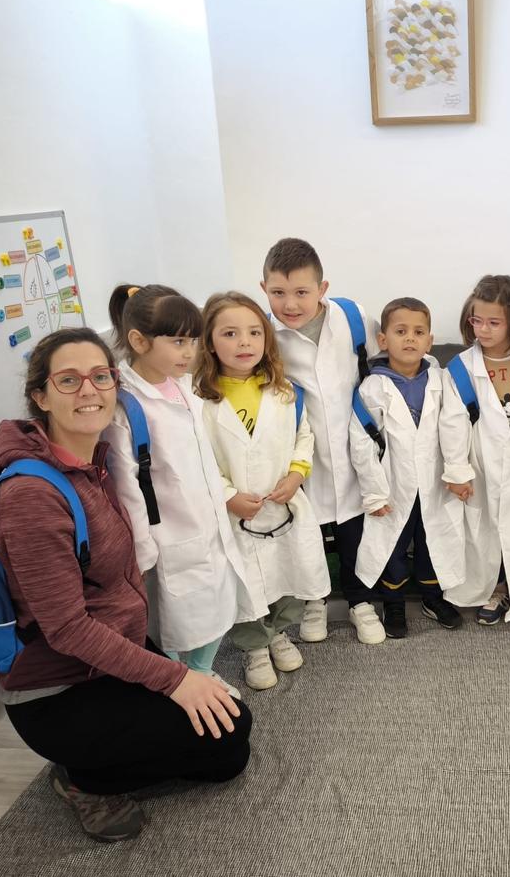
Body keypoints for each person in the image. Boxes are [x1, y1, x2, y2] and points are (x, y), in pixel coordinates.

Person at [0, 328, 251, 843]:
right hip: (59, 690)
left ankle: (107, 749)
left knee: (220, 712)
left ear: (116, 385)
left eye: (100, 376)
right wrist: (174, 679)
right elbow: (67, 630)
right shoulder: (31, 498)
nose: (88, 390)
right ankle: (84, 780)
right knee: (230, 746)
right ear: (40, 397)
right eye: (68, 380)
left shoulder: (96, 462)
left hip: (110, 653)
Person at [104, 284, 254, 693]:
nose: (189, 352)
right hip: (169, 537)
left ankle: (202, 672)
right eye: (177, 341)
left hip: (208, 523)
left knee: (217, 607)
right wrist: (143, 550)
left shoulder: (183, 386)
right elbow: (129, 489)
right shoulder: (127, 408)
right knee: (175, 621)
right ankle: (181, 682)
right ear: (138, 341)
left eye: (192, 340)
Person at [195, 292, 331, 690]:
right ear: (209, 342)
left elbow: (303, 436)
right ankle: (254, 645)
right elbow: (198, 459)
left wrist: (296, 473)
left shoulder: (284, 390)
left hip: (283, 504)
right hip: (235, 512)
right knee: (246, 583)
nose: (245, 343)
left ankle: (279, 631)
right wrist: (227, 495)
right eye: (231, 333)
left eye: (255, 332)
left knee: (289, 574)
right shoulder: (199, 400)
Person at [261, 238, 386, 644]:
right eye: (278, 293)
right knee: (308, 530)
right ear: (264, 289)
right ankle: (315, 600)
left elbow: (375, 364)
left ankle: (360, 600)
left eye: (302, 292)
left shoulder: (352, 317)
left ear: (322, 288)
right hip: (299, 450)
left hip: (354, 444)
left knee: (355, 526)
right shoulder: (263, 333)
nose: (290, 304)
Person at [348, 297, 473, 638]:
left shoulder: (440, 379)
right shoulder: (373, 386)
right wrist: (374, 492)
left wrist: (458, 473)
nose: (410, 339)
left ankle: (433, 597)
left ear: (429, 340)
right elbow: (361, 442)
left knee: (434, 539)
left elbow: (455, 424)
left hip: (435, 481)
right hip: (394, 482)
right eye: (401, 331)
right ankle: (394, 602)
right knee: (393, 543)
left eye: (419, 332)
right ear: (384, 340)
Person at [441, 275, 510, 627]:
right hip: (480, 466)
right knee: (484, 533)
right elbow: (452, 423)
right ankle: (493, 588)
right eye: (477, 320)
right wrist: (458, 471)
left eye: (493, 322)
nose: (483, 330)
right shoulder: (460, 368)